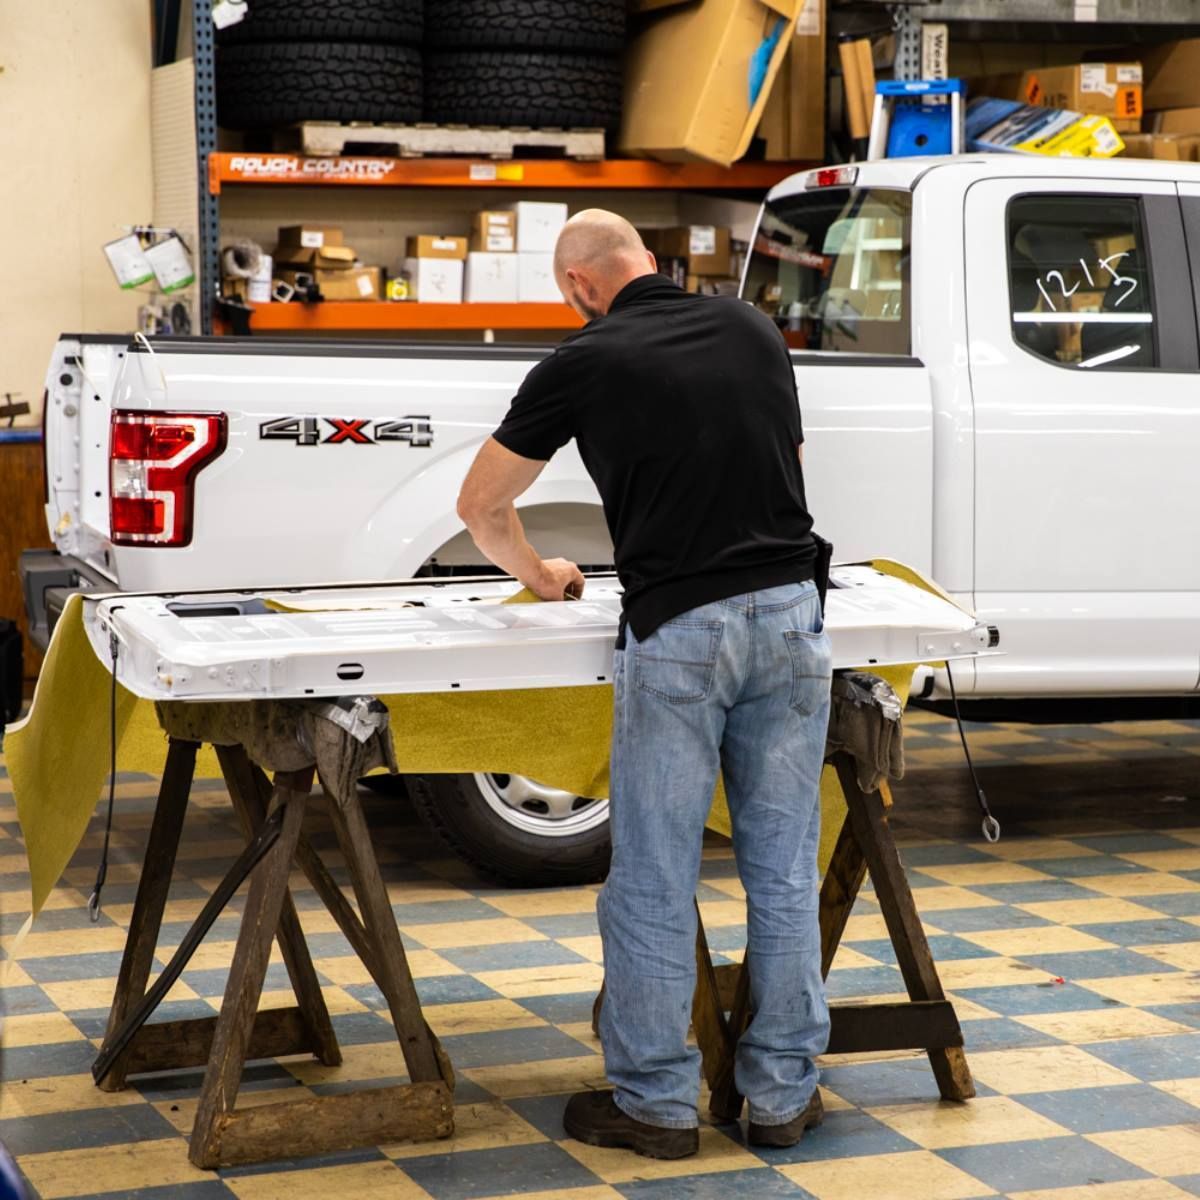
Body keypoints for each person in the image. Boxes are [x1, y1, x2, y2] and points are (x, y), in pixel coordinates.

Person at [456, 209, 831, 1159]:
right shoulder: (751, 326)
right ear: (650, 263)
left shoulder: (583, 360)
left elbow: (482, 505)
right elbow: (788, 468)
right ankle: (783, 1097)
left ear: (580, 286)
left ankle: (659, 1108)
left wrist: (541, 576)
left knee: (655, 880)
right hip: (791, 612)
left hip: (681, 631)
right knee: (782, 870)